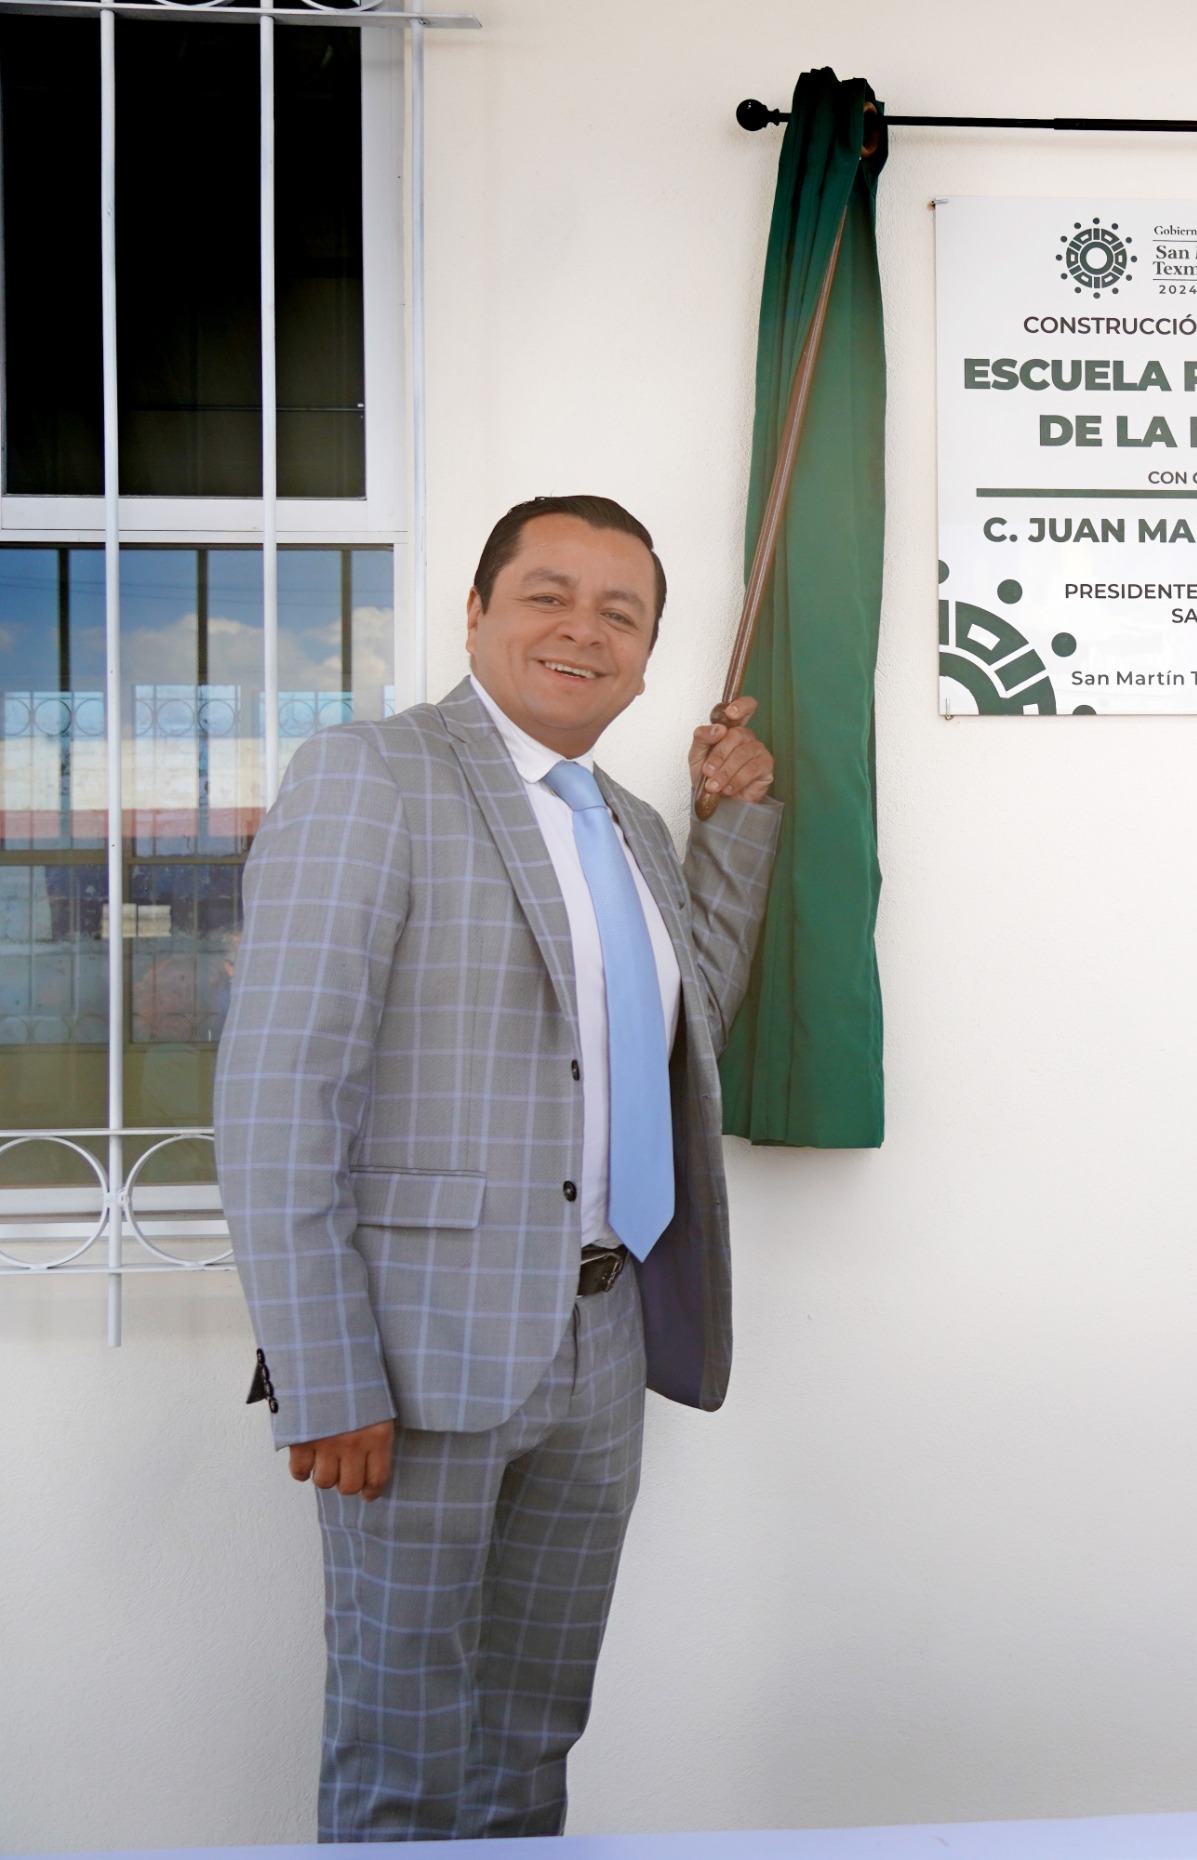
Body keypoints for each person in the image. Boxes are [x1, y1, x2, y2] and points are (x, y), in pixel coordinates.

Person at [216, 495, 782, 1840]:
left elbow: (685, 1023)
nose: (583, 629)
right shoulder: (373, 775)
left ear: (646, 660)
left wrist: (733, 825)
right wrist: (324, 1373)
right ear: (476, 612)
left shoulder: (630, 826)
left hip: (603, 1343)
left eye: (620, 613)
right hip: (414, 1363)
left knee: (533, 1737)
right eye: (547, 594)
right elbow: (280, 1091)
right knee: (404, 1748)